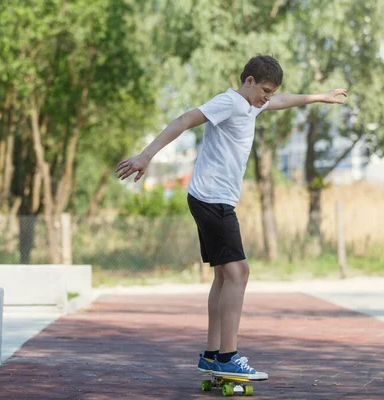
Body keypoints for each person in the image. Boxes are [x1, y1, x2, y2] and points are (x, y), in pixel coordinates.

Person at [116, 55, 346, 379]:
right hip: (213, 200)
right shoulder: (230, 102)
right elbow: (184, 119)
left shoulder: (253, 105)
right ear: (249, 81)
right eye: (264, 89)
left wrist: (319, 96)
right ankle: (228, 356)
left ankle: (212, 354)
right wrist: (145, 155)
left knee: (224, 277)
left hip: (210, 199)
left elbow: (281, 101)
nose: (267, 97)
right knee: (239, 273)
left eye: (270, 92)